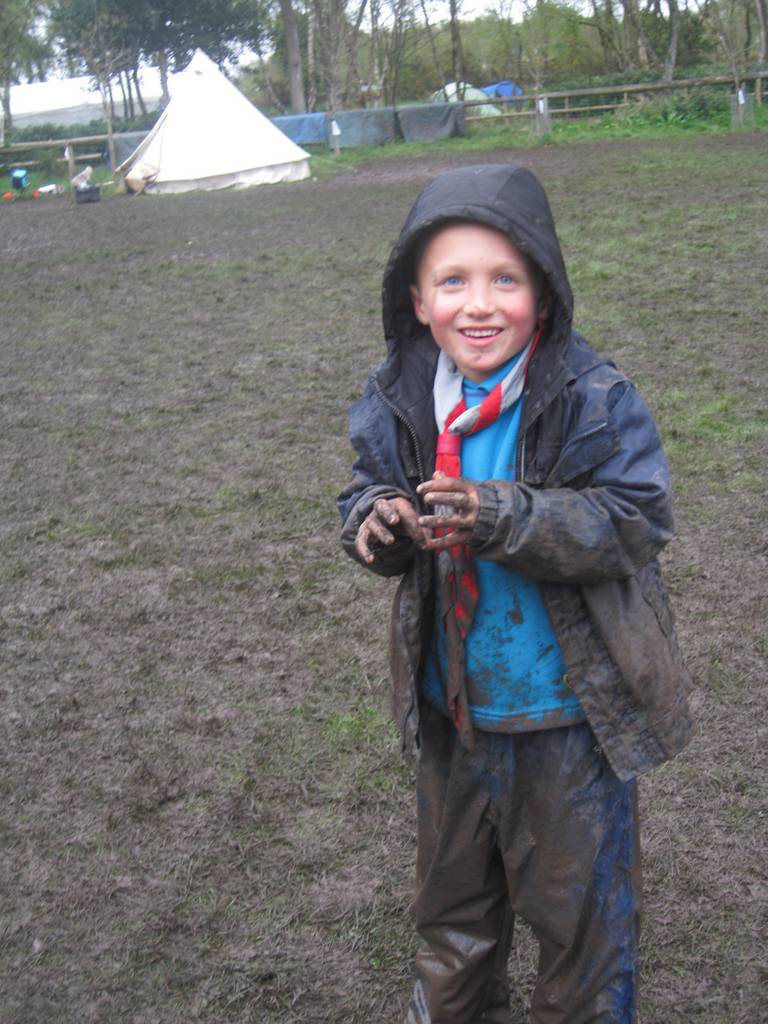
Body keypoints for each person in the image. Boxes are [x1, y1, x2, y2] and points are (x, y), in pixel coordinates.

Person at [337, 164, 693, 1024]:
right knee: (452, 922)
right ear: (418, 301)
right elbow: (363, 489)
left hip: (567, 715)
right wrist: (375, 524)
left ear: (544, 288)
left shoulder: (591, 398)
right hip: (453, 712)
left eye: (506, 278)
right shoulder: (400, 400)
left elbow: (636, 517)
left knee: (582, 935)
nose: (480, 303)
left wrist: (503, 515)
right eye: (452, 281)